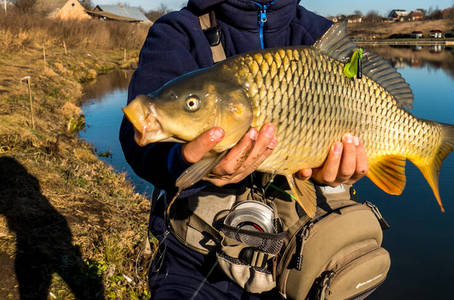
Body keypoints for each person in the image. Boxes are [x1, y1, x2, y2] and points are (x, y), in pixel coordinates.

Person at [119, 0, 368, 298]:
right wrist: (181, 161)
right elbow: (139, 139)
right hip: (197, 257)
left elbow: (360, 122)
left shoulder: (319, 35)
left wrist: (343, 171)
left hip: (299, 258)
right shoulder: (179, 31)